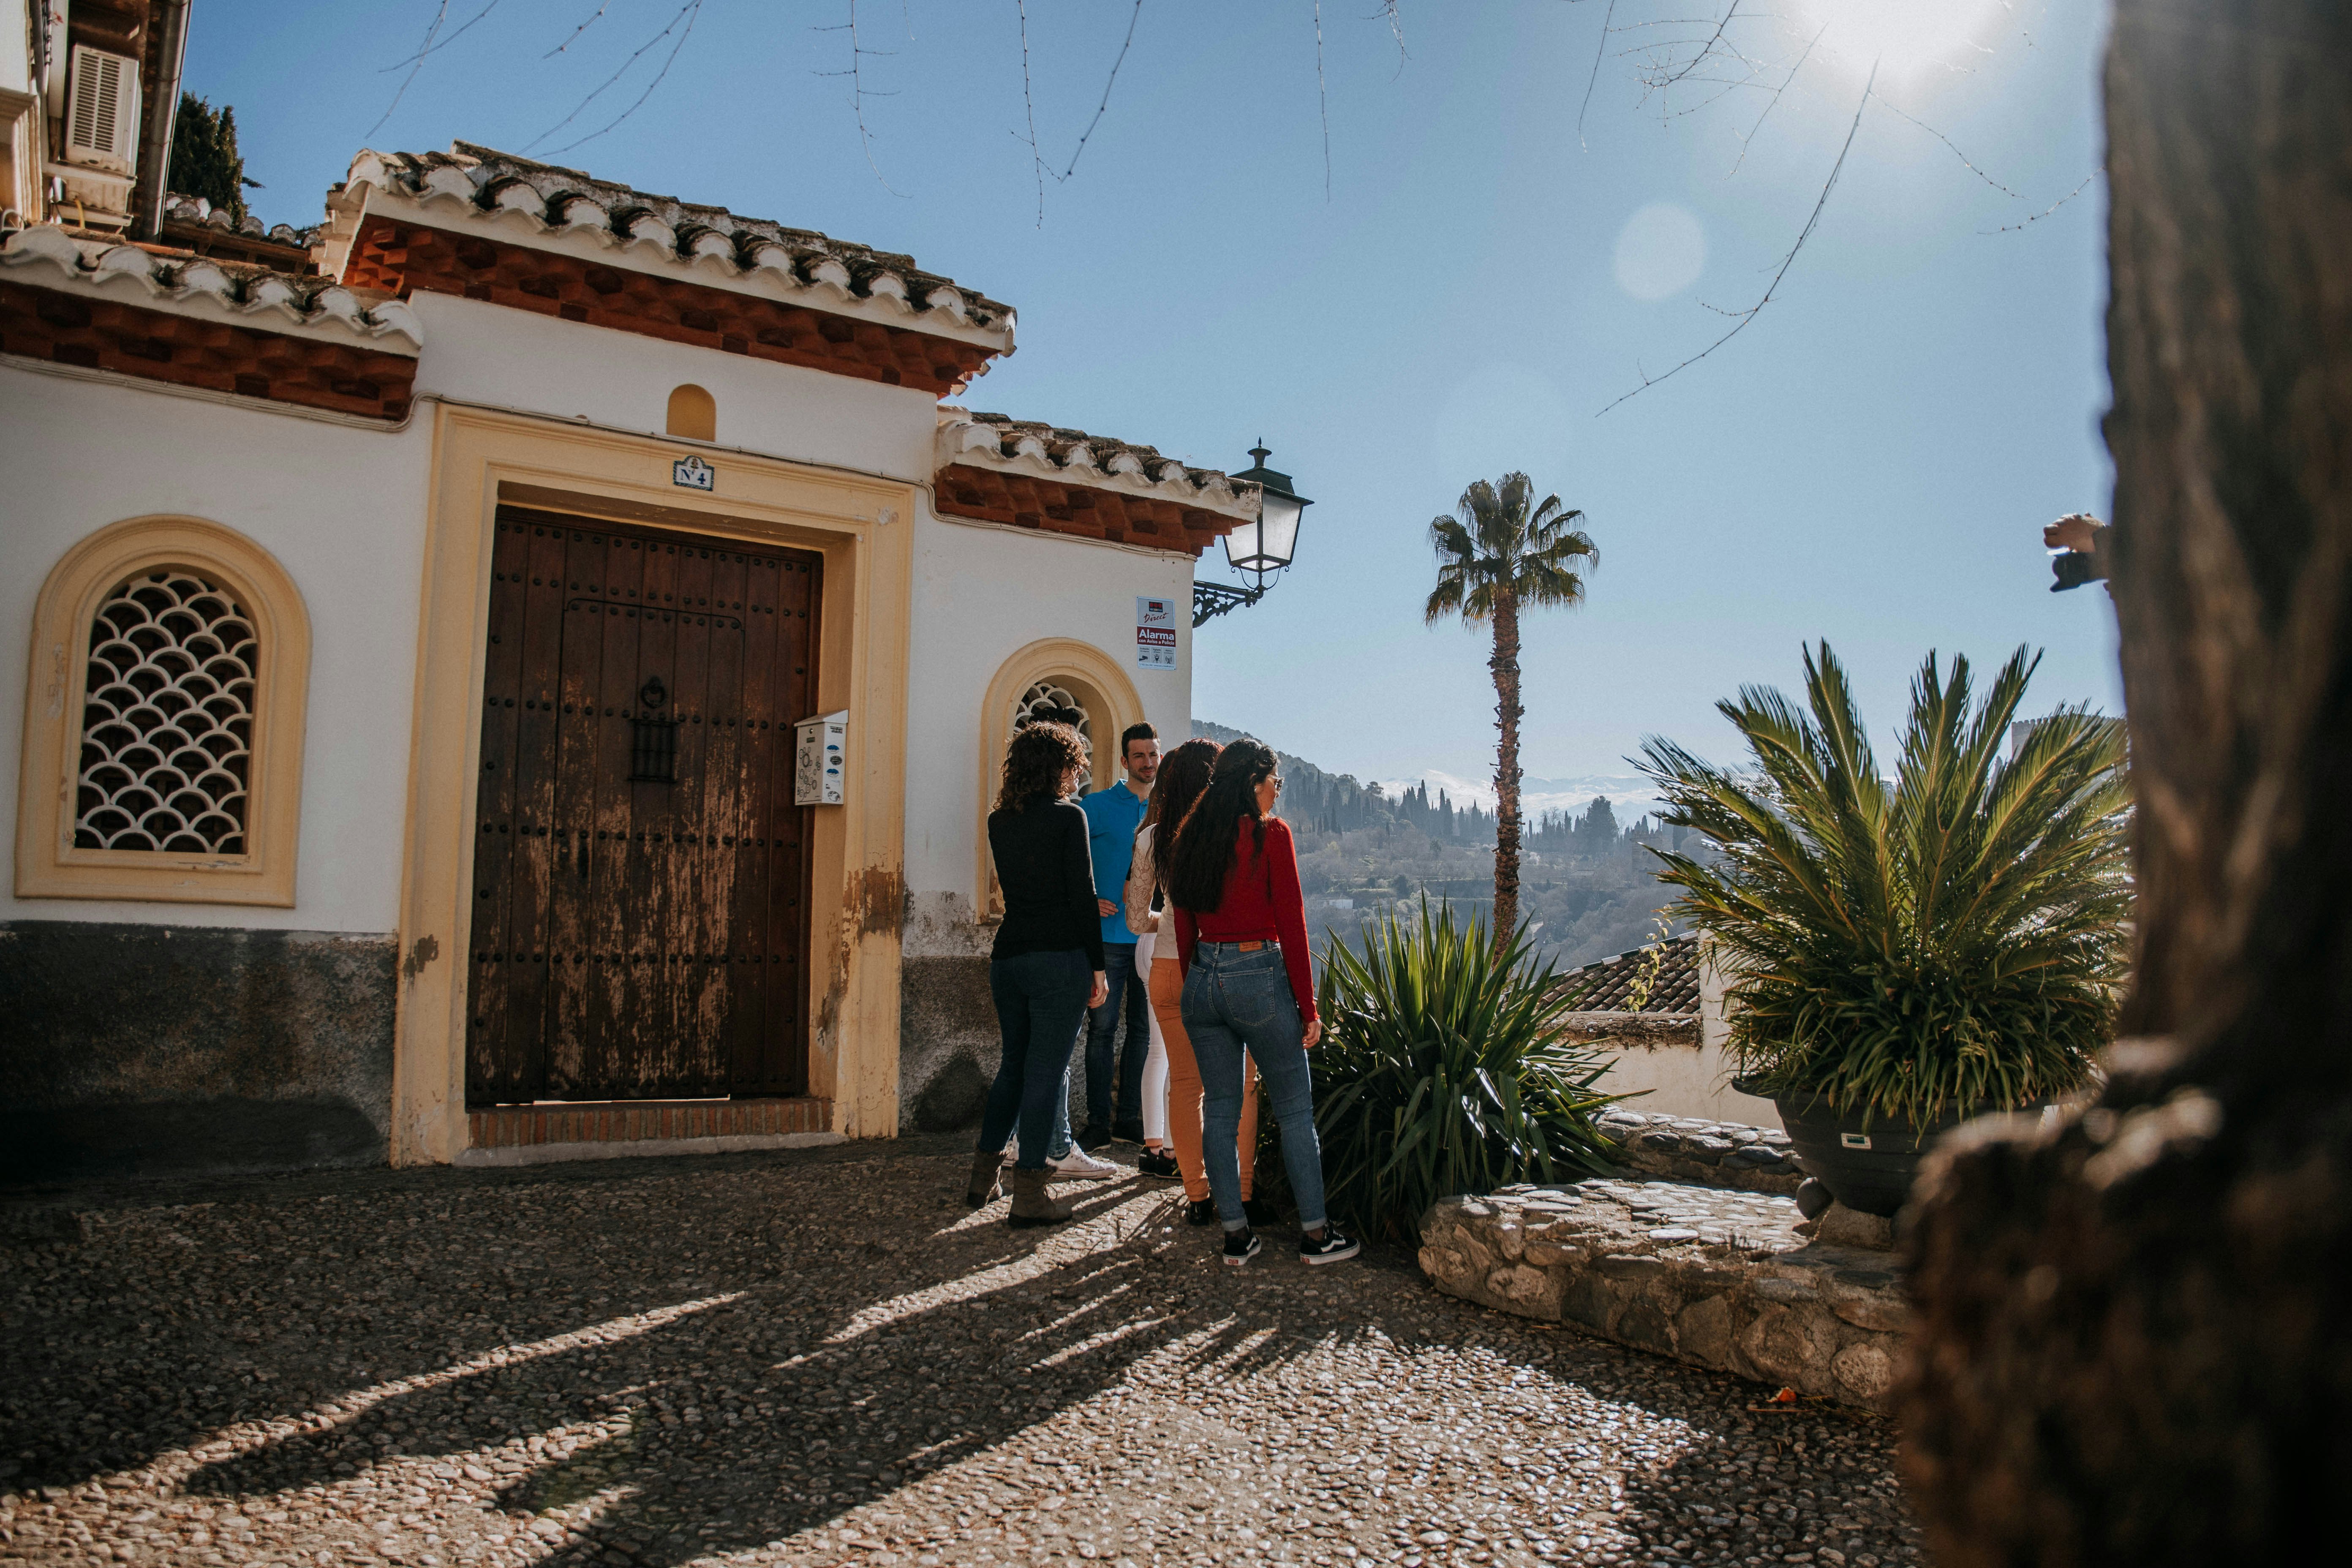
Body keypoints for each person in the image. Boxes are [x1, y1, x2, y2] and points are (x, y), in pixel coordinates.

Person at [1168, 738, 1358, 1268]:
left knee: (1220, 1109)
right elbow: (1292, 922)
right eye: (1276, 780)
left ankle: (1236, 1236)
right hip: (1258, 974)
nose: (1278, 790)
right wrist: (1309, 1007)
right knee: (1295, 1110)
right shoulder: (1270, 835)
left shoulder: (1190, 837)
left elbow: (1184, 924)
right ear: (1254, 782)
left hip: (1202, 978)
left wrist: (1198, 982)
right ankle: (1317, 1235)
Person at [966, 721, 1110, 1227]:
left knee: (1014, 1067)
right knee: (1045, 1072)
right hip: (1060, 959)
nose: (1077, 774)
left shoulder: (999, 821)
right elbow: (1082, 896)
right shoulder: (1070, 817)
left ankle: (982, 1179)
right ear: (1059, 766)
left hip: (1009, 958)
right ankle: (1029, 1195)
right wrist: (1098, 966)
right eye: (1074, 765)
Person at [1124, 738, 1271, 1223]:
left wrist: (1164, 921)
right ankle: (1243, 1194)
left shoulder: (1152, 838)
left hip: (1167, 968)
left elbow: (1135, 919)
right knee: (1242, 1085)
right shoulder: (1235, 830)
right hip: (1223, 965)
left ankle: (1198, 1197)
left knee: (1185, 1085)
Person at [1075, 722, 1160, 1149]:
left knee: (1144, 1033)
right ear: (1125, 760)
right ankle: (1098, 1124)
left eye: (1153, 754)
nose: (1148, 762)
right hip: (1107, 938)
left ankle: (1130, 1119)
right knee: (1102, 1030)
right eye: (1139, 755)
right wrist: (1088, 900)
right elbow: (1070, 861)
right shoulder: (1095, 806)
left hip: (1152, 938)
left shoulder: (1167, 810)